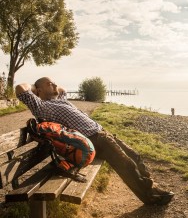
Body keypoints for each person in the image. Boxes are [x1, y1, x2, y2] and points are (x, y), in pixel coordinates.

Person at [15, 77, 174, 205]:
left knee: (135, 156)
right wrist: (35, 88)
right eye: (50, 84)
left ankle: (151, 186)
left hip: (102, 132)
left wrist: (49, 86)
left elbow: (61, 89)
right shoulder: (41, 106)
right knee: (126, 164)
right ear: (40, 90)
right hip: (93, 139)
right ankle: (150, 196)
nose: (55, 84)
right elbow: (21, 88)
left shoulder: (60, 99)